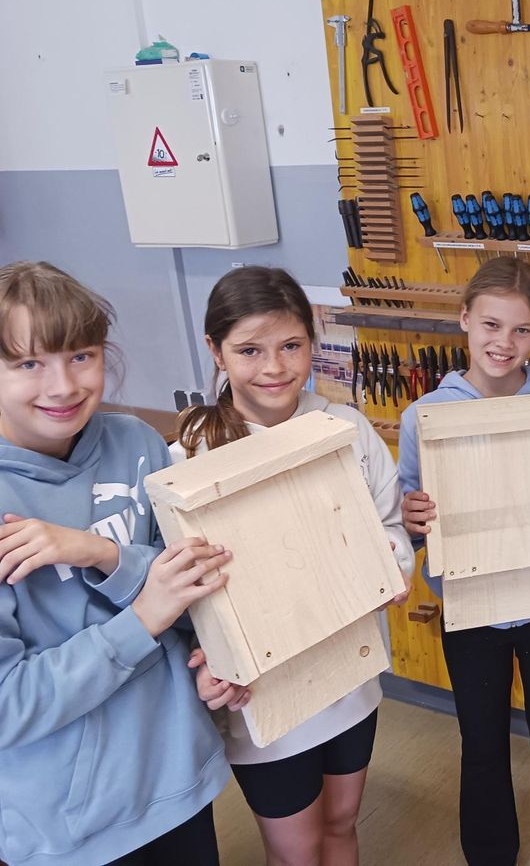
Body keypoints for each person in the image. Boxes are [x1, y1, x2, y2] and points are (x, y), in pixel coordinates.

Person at [178, 265, 414, 866]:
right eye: (250, 350)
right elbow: (185, 583)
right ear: (216, 350)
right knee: (296, 849)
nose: (275, 367)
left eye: (291, 346)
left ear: (313, 341)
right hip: (267, 692)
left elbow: (389, 526)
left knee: (340, 825)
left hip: (349, 672)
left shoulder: (346, 429)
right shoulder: (191, 454)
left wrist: (390, 567)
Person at [0, 261, 231, 866]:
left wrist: (209, 655)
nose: (63, 385)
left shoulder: (136, 443)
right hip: (71, 829)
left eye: (81, 355)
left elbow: (190, 591)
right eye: (28, 363)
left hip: (179, 782)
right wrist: (143, 620)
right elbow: (8, 704)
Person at [398, 257, 530, 866]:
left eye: (521, 330)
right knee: (482, 742)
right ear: (464, 319)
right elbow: (411, 517)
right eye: (490, 325)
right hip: (471, 604)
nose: (504, 343)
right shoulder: (426, 417)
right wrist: (414, 521)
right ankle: (490, 854)